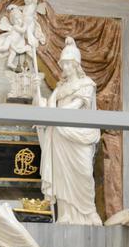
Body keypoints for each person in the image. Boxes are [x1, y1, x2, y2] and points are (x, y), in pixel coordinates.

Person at [36, 37, 103, 226]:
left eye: (67, 64)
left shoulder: (86, 84)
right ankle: (65, 213)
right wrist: (37, 93)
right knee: (62, 175)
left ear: (75, 64)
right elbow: (49, 106)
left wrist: (56, 113)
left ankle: (89, 211)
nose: (64, 67)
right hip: (60, 135)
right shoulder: (60, 88)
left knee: (84, 172)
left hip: (79, 135)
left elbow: (76, 105)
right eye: (63, 64)